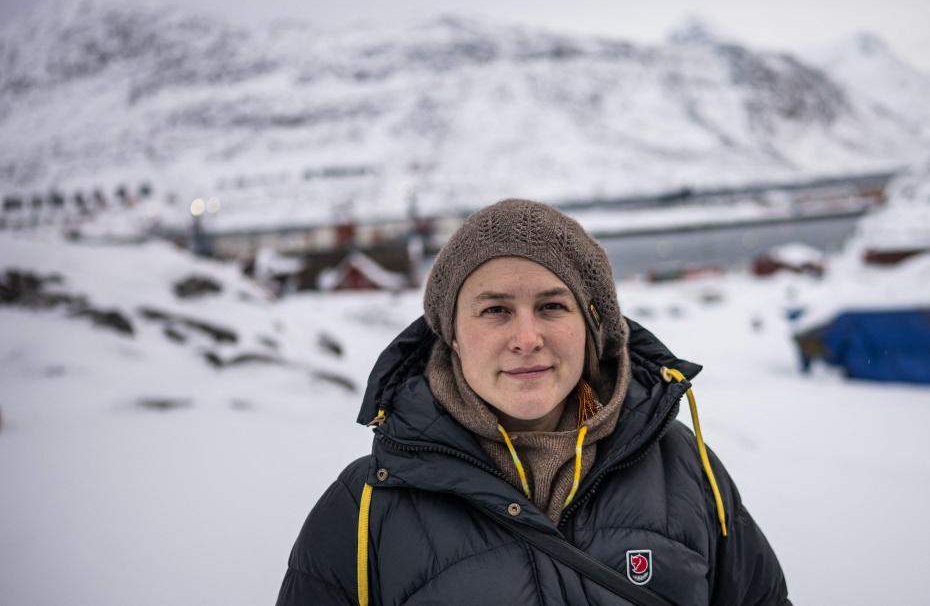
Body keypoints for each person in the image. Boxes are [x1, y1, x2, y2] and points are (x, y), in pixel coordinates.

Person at [277, 199, 791, 606]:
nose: (526, 338)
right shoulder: (365, 508)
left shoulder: (687, 471)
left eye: (551, 306)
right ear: (452, 335)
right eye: (495, 309)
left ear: (592, 330)